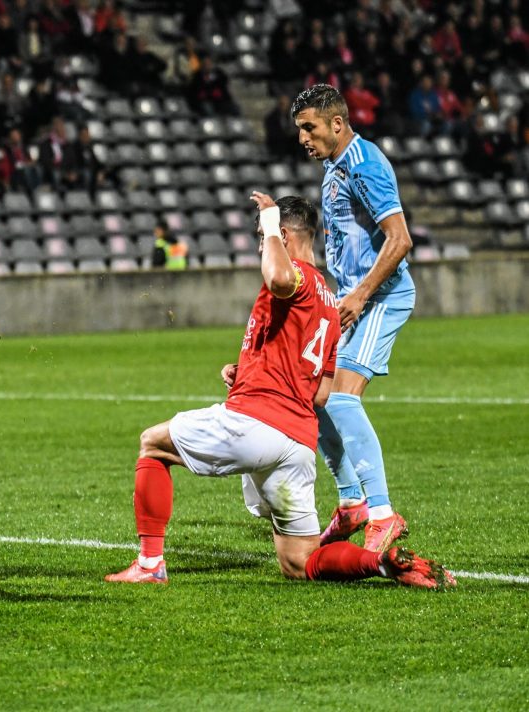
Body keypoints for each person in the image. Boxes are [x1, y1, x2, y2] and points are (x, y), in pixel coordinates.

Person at [106, 193, 455, 590]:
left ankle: (150, 564)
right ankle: (382, 564)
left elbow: (279, 278)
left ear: (285, 236)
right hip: (298, 443)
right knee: (298, 561)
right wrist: (248, 373)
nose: (261, 244)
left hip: (255, 424)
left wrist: (268, 221)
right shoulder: (329, 303)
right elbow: (320, 394)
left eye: (265, 236)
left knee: (152, 444)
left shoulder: (299, 278)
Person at [291, 84, 416, 551]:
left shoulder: (363, 164)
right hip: (353, 299)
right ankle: (350, 504)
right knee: (316, 396)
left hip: (382, 298)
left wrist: (361, 295)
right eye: (300, 129)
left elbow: (399, 239)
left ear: (337, 123)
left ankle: (382, 513)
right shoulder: (334, 166)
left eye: (310, 127)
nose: (303, 137)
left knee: (342, 400)